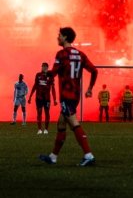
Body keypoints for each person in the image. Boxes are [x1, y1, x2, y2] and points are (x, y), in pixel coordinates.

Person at [39, 27, 98, 166]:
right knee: (61, 123)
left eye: (59, 35)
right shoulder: (80, 54)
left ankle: (88, 155)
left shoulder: (62, 54)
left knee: (73, 122)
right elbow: (95, 70)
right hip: (76, 95)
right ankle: (53, 156)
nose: (57, 37)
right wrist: (89, 89)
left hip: (66, 95)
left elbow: (53, 72)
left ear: (65, 37)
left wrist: (45, 73)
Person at [28, 62, 57, 134]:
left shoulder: (50, 76)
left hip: (47, 98)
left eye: (45, 67)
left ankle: (46, 129)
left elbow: (53, 88)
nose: (43, 68)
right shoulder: (38, 75)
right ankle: (39, 129)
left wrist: (55, 99)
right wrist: (30, 96)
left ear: (47, 68)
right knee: (39, 112)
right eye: (43, 66)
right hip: (39, 97)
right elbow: (35, 86)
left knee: (47, 113)